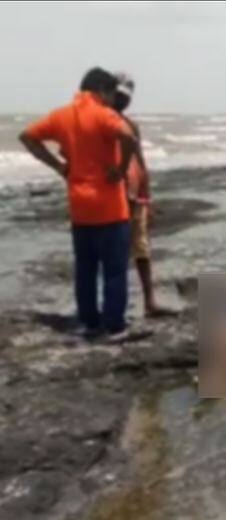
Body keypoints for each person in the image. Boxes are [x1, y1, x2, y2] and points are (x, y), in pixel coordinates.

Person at [19, 68, 138, 339]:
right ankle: (114, 325)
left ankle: (89, 321)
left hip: (80, 207)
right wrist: (121, 170)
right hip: (110, 207)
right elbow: (129, 137)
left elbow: (27, 136)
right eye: (111, 94)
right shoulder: (103, 114)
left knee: (85, 269)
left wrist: (59, 166)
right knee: (114, 271)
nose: (113, 101)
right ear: (102, 91)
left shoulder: (61, 116)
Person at [112, 73, 174, 318]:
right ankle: (114, 307)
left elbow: (140, 161)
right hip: (113, 196)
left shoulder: (131, 125)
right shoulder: (101, 123)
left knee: (142, 248)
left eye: (126, 97)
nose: (122, 100)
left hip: (135, 194)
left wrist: (147, 198)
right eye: (119, 95)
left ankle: (149, 301)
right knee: (115, 252)